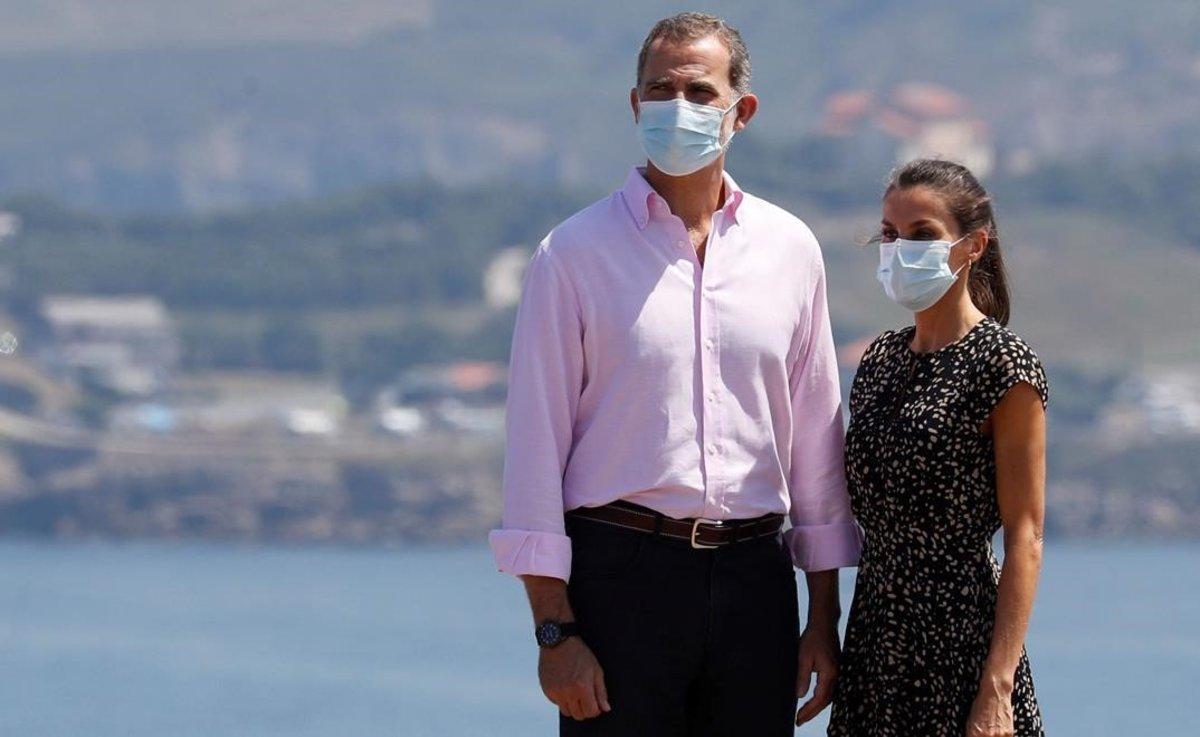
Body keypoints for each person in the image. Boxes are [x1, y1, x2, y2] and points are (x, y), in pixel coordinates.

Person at [488, 12, 862, 736]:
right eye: (660, 90)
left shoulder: (791, 250)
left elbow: (817, 443)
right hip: (620, 577)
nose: (678, 107)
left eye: (698, 89)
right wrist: (554, 633)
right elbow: (535, 449)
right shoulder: (571, 255)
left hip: (756, 577)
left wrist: (822, 617)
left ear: (740, 110)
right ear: (634, 105)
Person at [829, 159, 1048, 737]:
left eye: (922, 234)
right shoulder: (879, 362)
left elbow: (1026, 534)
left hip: (960, 642)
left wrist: (996, 688)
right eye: (891, 234)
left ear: (973, 245)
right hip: (875, 639)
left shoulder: (1002, 364)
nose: (901, 249)